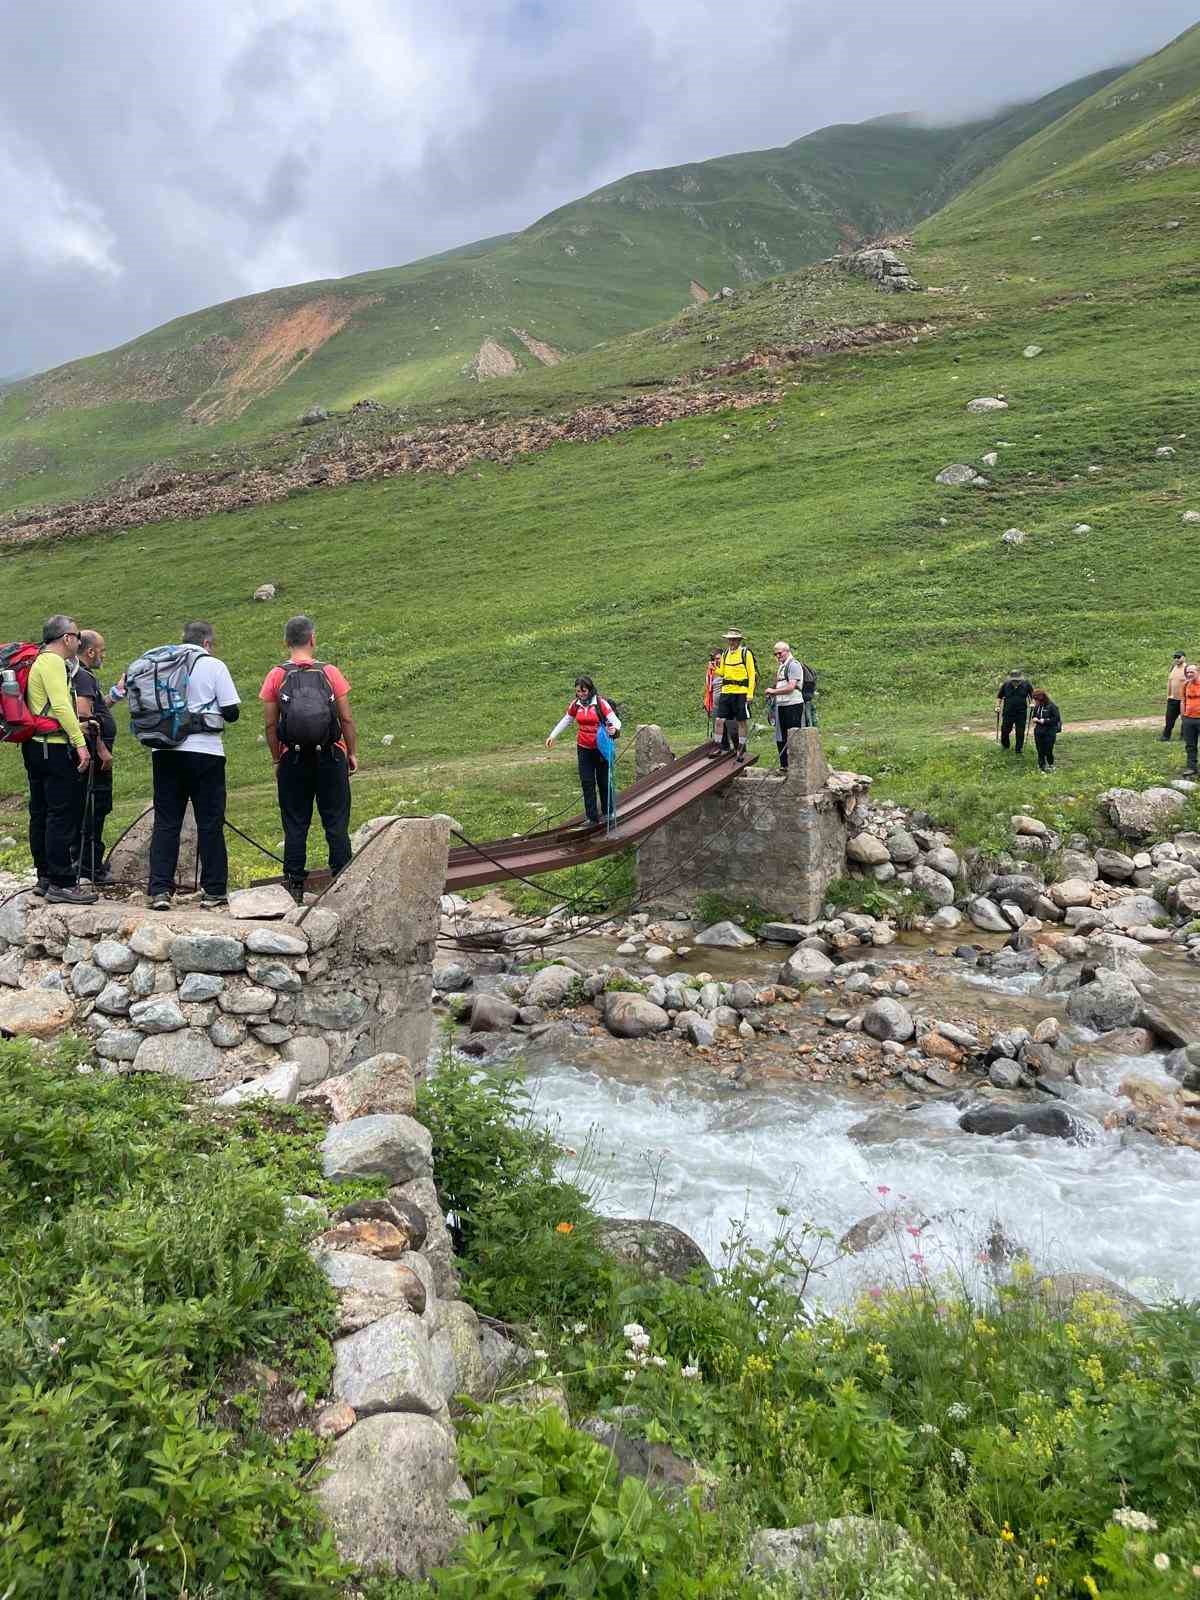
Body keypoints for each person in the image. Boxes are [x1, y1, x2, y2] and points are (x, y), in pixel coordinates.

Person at [260, 615, 358, 902]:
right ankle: (343, 883)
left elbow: (269, 724)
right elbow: (346, 718)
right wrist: (350, 751)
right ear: (312, 638)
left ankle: (294, 886)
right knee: (336, 822)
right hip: (331, 755)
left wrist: (278, 758)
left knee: (295, 823)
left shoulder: (276, 675)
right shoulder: (330, 672)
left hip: (293, 759)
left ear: (286, 642)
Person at [146, 621, 240, 911]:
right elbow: (232, 711)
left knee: (166, 822)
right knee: (210, 822)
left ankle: (160, 890)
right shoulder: (213, 665)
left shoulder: (159, 664)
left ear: (182, 639)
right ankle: (213, 890)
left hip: (164, 750)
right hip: (205, 752)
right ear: (207, 642)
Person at [21, 617, 95, 904]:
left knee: (40, 811)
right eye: (77, 636)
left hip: (33, 746)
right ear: (66, 638)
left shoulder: (37, 660)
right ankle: (62, 881)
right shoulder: (52, 662)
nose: (79, 641)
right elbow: (62, 706)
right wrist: (81, 745)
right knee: (60, 812)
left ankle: (45, 876)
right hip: (52, 747)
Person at [72, 629, 118, 884]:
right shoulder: (84, 677)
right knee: (96, 805)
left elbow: (95, 709)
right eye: (102, 651)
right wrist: (101, 748)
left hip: (91, 751)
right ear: (90, 651)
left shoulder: (79, 675)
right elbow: (84, 715)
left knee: (92, 805)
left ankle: (86, 861)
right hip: (94, 755)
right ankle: (90, 865)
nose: (103, 655)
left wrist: (116, 694)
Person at [545, 675, 621, 825]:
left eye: (583, 691)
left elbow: (616, 722)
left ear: (590, 689)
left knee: (604, 782)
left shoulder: (600, 703)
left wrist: (614, 730)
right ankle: (592, 817)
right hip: (584, 748)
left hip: (600, 749)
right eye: (578, 691)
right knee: (587, 782)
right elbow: (566, 719)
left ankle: (609, 814)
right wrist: (552, 735)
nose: (581, 694)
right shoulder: (576, 705)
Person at [711, 629, 756, 760]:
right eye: (729, 639)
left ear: (739, 640)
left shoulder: (745, 653)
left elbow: (752, 674)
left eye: (734, 639)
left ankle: (741, 748)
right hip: (726, 691)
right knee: (719, 720)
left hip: (741, 692)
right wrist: (715, 668)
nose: (731, 642)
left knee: (741, 721)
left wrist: (750, 693)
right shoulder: (725, 654)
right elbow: (723, 672)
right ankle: (718, 746)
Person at [764, 641, 806, 769]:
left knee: (794, 735)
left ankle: (797, 766)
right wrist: (773, 693)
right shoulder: (782, 666)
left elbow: (791, 687)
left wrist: (773, 691)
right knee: (780, 735)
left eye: (779, 653)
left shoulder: (793, 665)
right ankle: (784, 765)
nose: (777, 656)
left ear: (787, 651)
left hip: (793, 704)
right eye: (775, 654)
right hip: (781, 705)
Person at [995, 669, 1034, 753]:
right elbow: (999, 696)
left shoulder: (1026, 684)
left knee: (1020, 731)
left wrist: (1032, 703)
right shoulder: (1005, 685)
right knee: (1005, 730)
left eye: (1017, 681)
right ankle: (1005, 746)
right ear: (1010, 679)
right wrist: (997, 706)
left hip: (1021, 712)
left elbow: (1032, 695)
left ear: (1021, 679)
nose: (1016, 682)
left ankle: (1018, 749)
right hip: (1008, 712)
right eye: (1014, 681)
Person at [1029, 689, 1062, 772]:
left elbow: (1056, 719)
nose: (1035, 702)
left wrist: (1044, 721)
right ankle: (1041, 766)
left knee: (1048, 749)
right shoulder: (1037, 707)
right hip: (1039, 731)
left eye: (1036, 700)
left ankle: (1051, 764)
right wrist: (1034, 718)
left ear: (1041, 699)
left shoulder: (1052, 706)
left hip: (1049, 731)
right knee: (1040, 750)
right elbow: (1034, 715)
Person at [1162, 652, 1188, 741]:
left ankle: (1184, 736)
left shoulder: (1188, 669)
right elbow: (1170, 682)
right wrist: (1168, 695)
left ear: (1184, 658)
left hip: (1184, 699)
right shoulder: (1173, 668)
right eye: (1175, 657)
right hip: (1172, 699)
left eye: (1178, 657)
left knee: (1185, 719)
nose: (1176, 659)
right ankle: (1166, 736)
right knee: (1169, 719)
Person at [1181, 665, 1200, 777]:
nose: (1189, 674)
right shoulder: (1185, 684)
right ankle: (1192, 767)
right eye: (1187, 672)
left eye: (1191, 672)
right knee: (1190, 745)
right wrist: (1183, 717)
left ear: (1198, 672)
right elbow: (1183, 701)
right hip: (1189, 719)